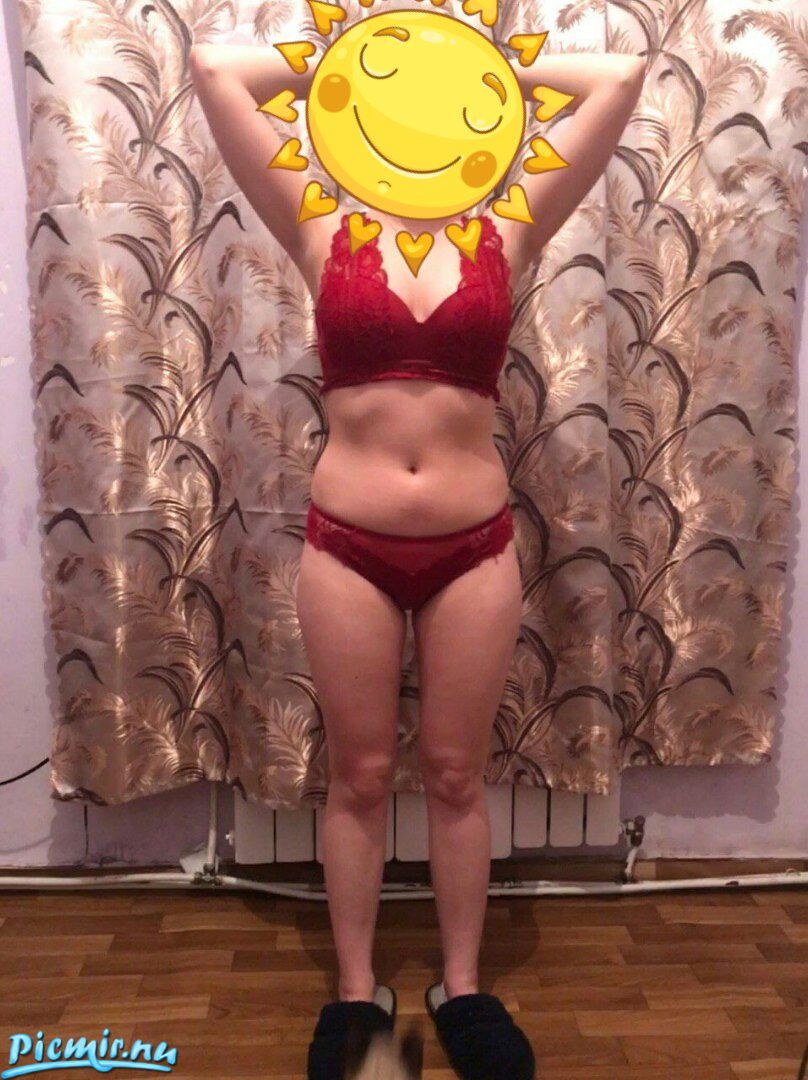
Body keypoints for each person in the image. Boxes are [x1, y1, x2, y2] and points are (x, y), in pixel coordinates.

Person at [190, 13, 644, 1078]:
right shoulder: (320, 224)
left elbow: (620, 74)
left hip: (473, 548)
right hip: (345, 543)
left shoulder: (508, 227)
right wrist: (359, 54)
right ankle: (358, 996)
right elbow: (215, 67)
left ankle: (463, 988)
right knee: (356, 777)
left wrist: (467, 57)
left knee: (453, 774)